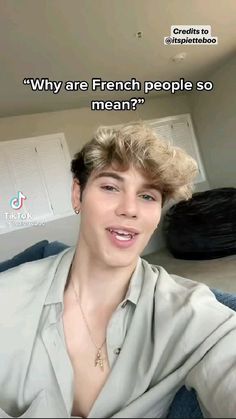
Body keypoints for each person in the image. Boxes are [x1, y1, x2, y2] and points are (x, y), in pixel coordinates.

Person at [0, 123, 236, 418]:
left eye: (148, 196)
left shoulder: (191, 312)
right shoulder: (6, 297)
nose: (130, 209)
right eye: (111, 187)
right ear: (78, 194)